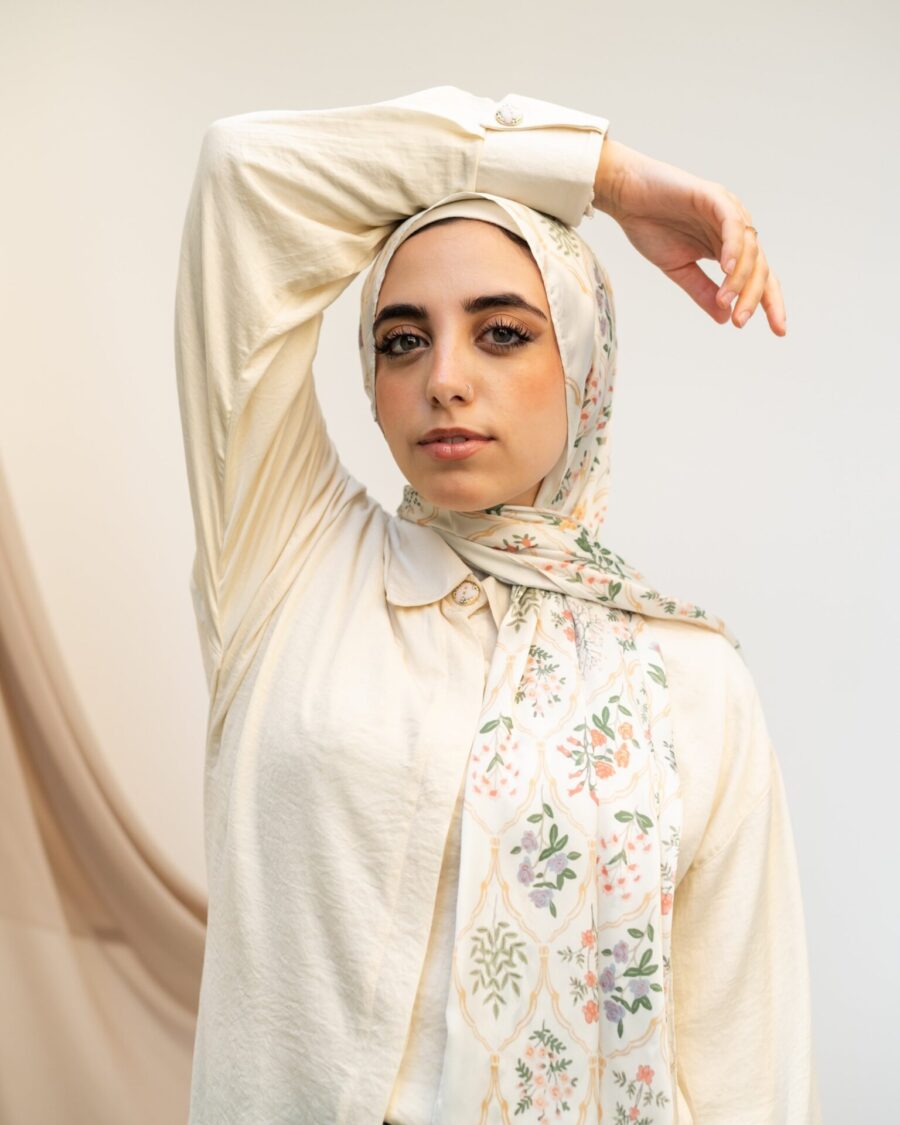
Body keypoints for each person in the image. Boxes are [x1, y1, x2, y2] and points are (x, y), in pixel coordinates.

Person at [174, 86, 821, 1124]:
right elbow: (242, 174)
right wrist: (607, 177)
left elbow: (750, 1064)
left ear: (585, 364)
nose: (445, 378)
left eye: (504, 333)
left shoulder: (695, 682)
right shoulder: (288, 565)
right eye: (402, 340)